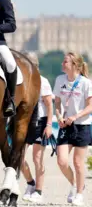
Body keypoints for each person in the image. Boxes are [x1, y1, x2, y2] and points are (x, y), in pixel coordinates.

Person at [53, 52, 92, 206]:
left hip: (82, 126)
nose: (62, 64)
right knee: (62, 161)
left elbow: (90, 106)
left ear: (75, 65)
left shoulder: (85, 83)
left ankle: (80, 194)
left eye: (66, 62)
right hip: (65, 126)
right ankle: (76, 184)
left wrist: (75, 117)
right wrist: (58, 116)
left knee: (77, 162)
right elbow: (56, 103)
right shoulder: (59, 80)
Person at [20, 52, 54, 203]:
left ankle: (39, 192)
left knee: (37, 158)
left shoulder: (43, 81)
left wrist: (49, 125)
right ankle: (30, 183)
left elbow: (49, 105)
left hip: (40, 122)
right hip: (26, 122)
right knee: (19, 157)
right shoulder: (22, 81)